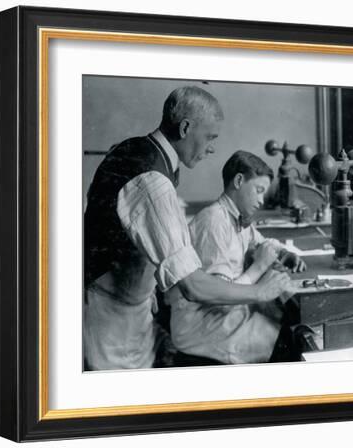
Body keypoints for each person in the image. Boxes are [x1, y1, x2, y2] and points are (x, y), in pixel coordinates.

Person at [83, 87, 291, 370]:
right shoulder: (152, 180)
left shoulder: (138, 151)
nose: (212, 147)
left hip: (133, 306)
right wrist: (260, 292)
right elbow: (193, 286)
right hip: (114, 319)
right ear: (185, 127)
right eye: (210, 137)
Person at [169, 150, 306, 365]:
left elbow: (261, 241)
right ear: (239, 181)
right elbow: (219, 299)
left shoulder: (237, 218)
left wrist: (284, 253)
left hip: (225, 314)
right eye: (258, 191)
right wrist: (259, 267)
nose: (261, 200)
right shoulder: (214, 221)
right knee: (287, 339)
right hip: (203, 326)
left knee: (286, 323)